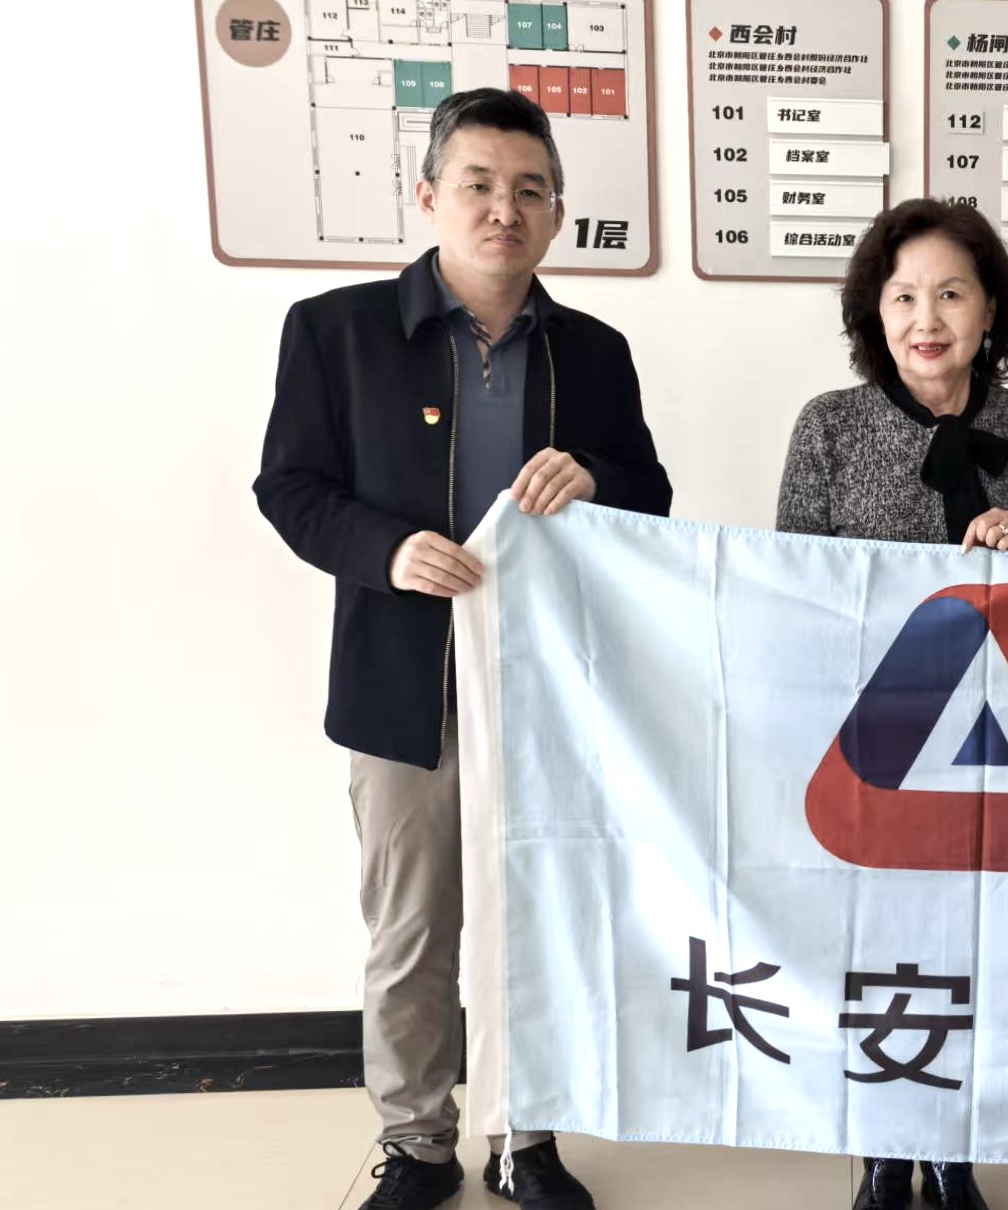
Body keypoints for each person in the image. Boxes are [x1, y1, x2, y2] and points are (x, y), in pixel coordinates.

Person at [253, 88, 671, 1210]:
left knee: (539, 922)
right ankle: (418, 1143)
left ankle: (528, 1138)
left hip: (548, 689)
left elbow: (650, 494)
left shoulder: (593, 352)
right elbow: (289, 488)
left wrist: (598, 479)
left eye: (530, 190)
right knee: (413, 928)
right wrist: (386, 552)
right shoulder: (336, 332)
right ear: (428, 193)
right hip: (403, 690)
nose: (504, 209)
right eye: (479, 184)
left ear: (558, 213)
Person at [777, 197, 1008, 1210]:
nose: (927, 317)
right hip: (871, 737)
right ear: (874, 312)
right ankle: (883, 1149)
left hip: (1001, 740)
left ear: (991, 308)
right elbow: (791, 590)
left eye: (951, 293)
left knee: (980, 947)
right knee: (878, 949)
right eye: (904, 295)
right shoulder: (828, 425)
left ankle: (954, 1149)